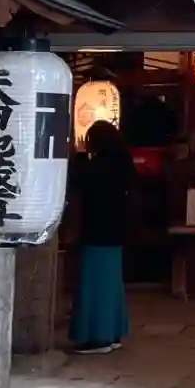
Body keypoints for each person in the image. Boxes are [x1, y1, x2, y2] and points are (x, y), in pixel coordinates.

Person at [69, 120, 136, 353]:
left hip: (97, 230)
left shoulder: (99, 167)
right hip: (115, 231)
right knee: (111, 285)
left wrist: (78, 158)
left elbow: (79, 182)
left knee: (94, 284)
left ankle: (98, 336)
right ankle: (113, 331)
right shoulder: (123, 162)